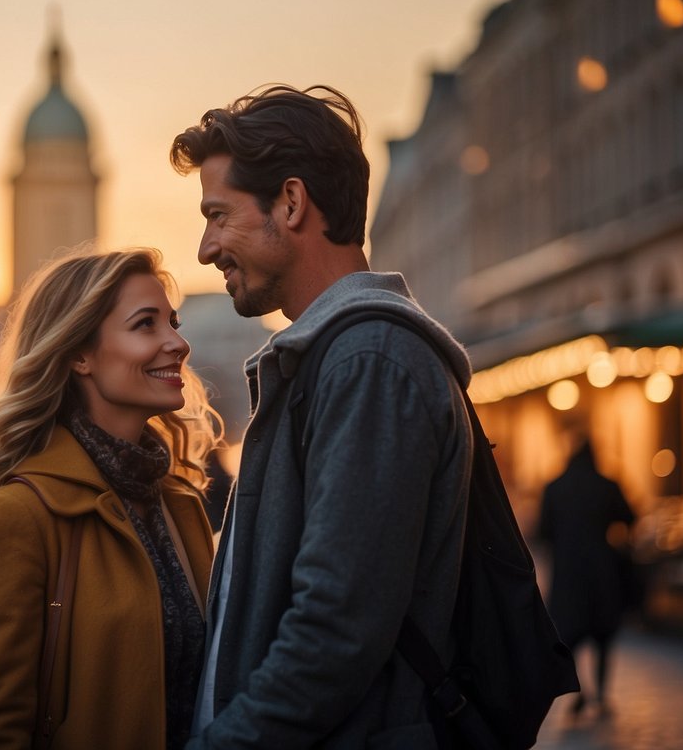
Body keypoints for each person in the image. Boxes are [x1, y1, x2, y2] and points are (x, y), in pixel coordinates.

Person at [168, 85, 474, 748]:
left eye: (218, 214)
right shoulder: (342, 357)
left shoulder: (368, 362)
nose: (204, 246)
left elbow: (335, 631)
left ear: (291, 201)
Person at [0, 248, 223, 750]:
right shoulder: (18, 517)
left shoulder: (179, 504)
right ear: (79, 354)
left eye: (173, 323)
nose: (178, 343)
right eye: (146, 325)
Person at [538, 439, 636, 716]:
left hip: (567, 571)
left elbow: (543, 530)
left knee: (569, 634)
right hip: (601, 570)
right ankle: (602, 694)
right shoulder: (607, 485)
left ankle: (578, 691)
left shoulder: (554, 488)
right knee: (603, 634)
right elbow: (630, 516)